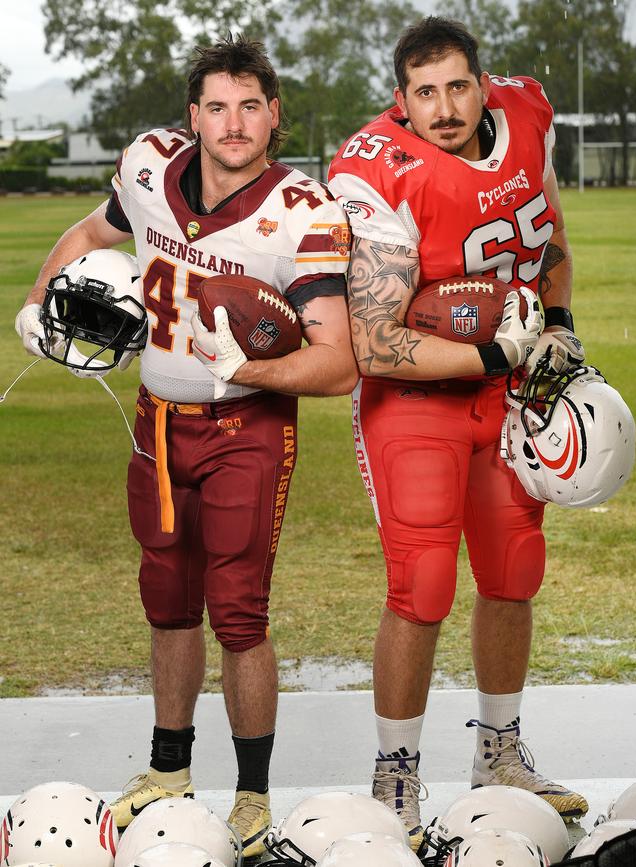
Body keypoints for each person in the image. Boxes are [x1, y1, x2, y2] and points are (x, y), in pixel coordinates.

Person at [15, 34, 358, 859]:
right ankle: (169, 769)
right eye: (216, 106)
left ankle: (250, 793)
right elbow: (93, 228)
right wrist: (38, 300)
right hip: (156, 420)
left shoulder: (304, 211)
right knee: (167, 597)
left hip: (248, 425)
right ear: (191, 116)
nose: (232, 123)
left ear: (275, 115)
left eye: (249, 106)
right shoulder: (149, 165)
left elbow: (341, 361)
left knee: (238, 612)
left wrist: (255, 364)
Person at [328, 16, 587, 852]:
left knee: (515, 567)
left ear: (484, 83)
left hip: (506, 386)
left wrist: (559, 323)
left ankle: (500, 753)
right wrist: (487, 348)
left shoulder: (527, 118)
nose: (443, 108)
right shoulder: (383, 170)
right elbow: (372, 338)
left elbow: (545, 240)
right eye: (424, 92)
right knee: (425, 581)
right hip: (417, 398)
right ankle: (395, 769)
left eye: (457, 86)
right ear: (399, 99)